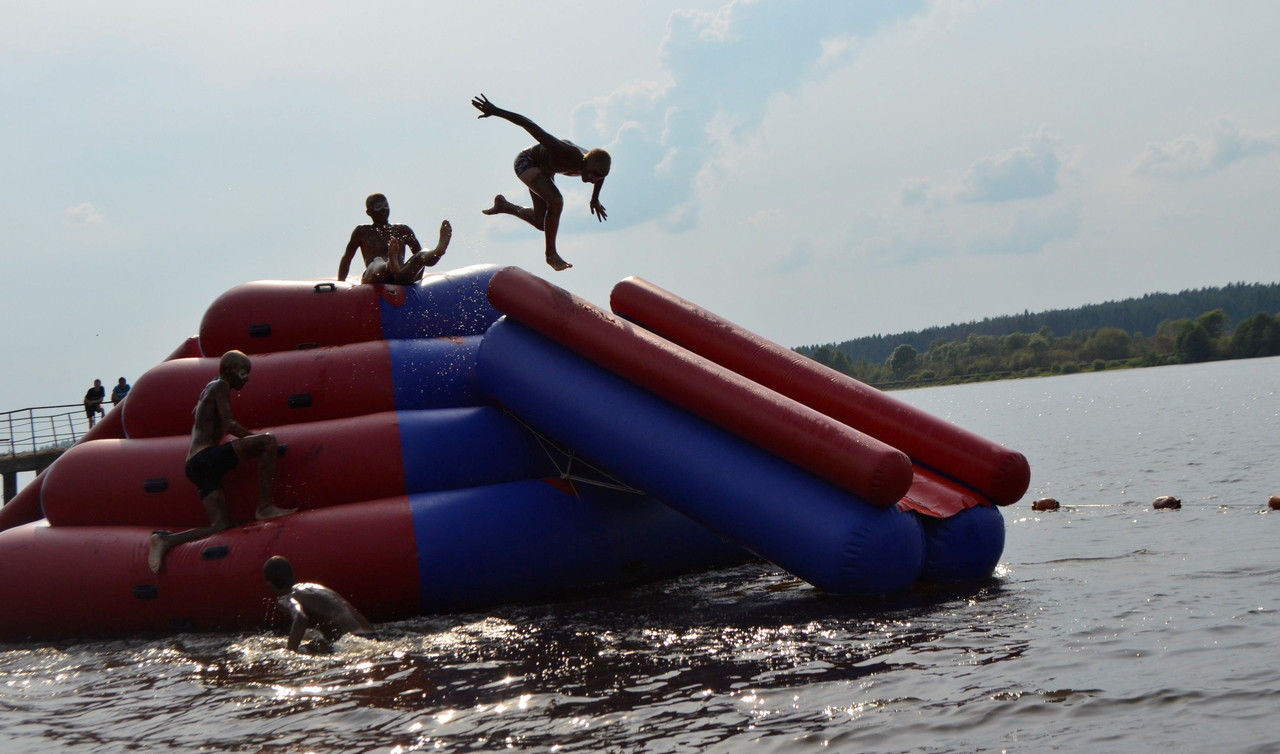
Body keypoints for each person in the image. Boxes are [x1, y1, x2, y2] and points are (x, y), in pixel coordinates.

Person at [147, 350, 295, 574]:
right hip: (206, 458)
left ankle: (166, 540)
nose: (247, 378)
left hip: (195, 465)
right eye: (244, 372)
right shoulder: (221, 386)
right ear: (232, 370)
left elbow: (201, 417)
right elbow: (229, 424)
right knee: (268, 442)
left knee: (220, 526)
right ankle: (264, 507)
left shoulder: (208, 389)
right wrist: (255, 439)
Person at [472, 93, 611, 271]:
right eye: (592, 175)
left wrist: (595, 199)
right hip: (527, 162)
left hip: (545, 171)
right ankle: (551, 255)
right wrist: (495, 111)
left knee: (541, 223)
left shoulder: (597, 168)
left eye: (597, 178)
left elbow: (601, 176)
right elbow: (528, 124)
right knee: (556, 200)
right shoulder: (565, 152)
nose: (592, 180)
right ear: (586, 163)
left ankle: (505, 206)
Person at [263, 555, 377, 652]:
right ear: (293, 574)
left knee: (308, 649)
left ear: (269, 584)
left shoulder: (287, 598)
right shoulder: (313, 587)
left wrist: (290, 652)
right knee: (316, 644)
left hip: (355, 643)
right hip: (372, 637)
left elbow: (300, 618)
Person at [338, 193, 451, 285]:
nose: (384, 209)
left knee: (421, 255)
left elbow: (419, 258)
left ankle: (438, 251)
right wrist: (340, 285)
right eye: (378, 206)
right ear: (369, 212)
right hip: (375, 278)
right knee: (377, 262)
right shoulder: (362, 231)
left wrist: (416, 281)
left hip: (400, 276)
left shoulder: (402, 230)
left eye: (385, 205)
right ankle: (390, 265)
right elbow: (347, 260)